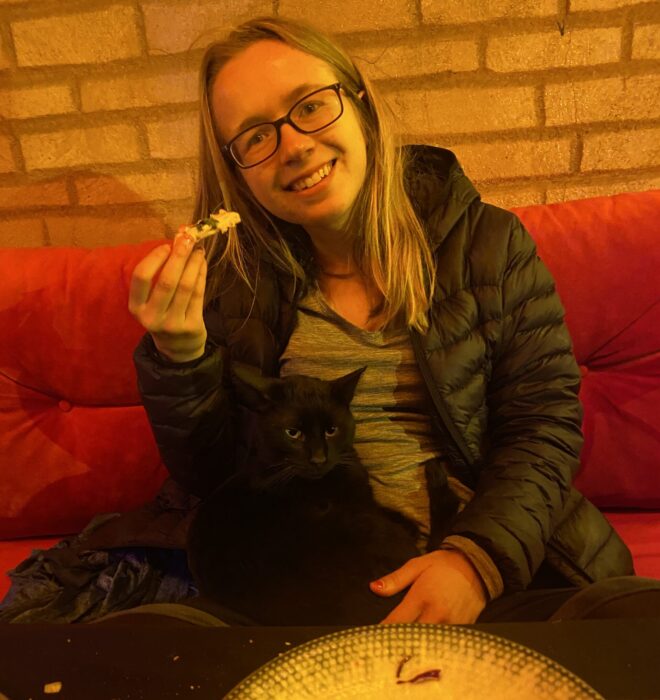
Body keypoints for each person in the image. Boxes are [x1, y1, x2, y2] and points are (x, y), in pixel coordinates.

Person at [2, 15, 657, 625]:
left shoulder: (487, 243)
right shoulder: (234, 278)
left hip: (481, 550)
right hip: (304, 570)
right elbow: (216, 474)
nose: (292, 146)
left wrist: (475, 563)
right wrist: (181, 357)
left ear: (361, 103)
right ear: (238, 172)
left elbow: (542, 426)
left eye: (310, 106)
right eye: (256, 136)